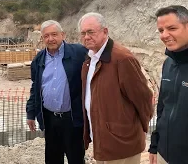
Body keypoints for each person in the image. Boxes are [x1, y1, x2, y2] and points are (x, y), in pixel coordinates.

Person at [79, 12, 153, 164]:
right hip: (103, 141)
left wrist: (135, 130)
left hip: (122, 144)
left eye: (91, 32)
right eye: (83, 33)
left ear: (105, 32)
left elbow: (143, 98)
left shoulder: (122, 59)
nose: (86, 37)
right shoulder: (90, 59)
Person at [26, 20, 87, 164]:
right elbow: (35, 87)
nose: (50, 39)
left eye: (54, 34)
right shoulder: (38, 59)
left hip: (72, 118)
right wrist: (31, 113)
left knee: (76, 158)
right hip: (50, 119)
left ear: (63, 35)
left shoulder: (79, 52)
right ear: (42, 38)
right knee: (53, 158)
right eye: (46, 36)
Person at [148, 5, 188, 164]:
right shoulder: (168, 63)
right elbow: (162, 106)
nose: (165, 35)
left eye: (171, 28)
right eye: (161, 30)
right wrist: (155, 146)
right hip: (164, 154)